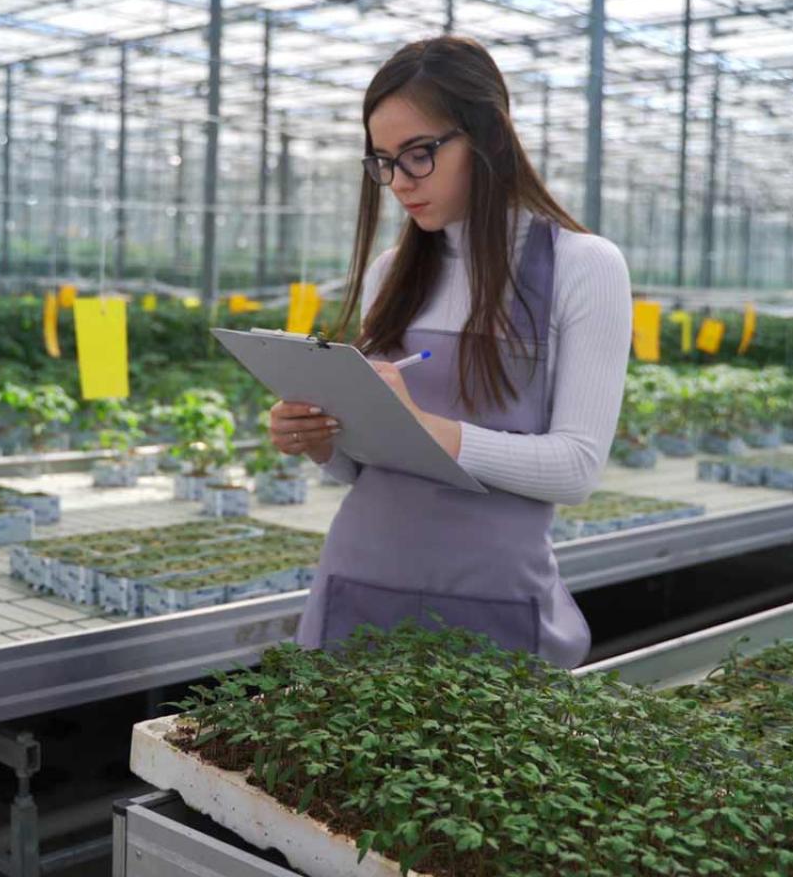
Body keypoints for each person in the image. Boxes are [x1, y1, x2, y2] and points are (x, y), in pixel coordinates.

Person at [267, 36, 632, 668]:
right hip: (359, 580)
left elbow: (576, 468)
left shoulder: (583, 266)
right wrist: (323, 440)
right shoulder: (393, 271)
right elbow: (364, 467)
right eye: (383, 161)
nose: (400, 183)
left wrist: (430, 430)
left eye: (419, 154)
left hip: (490, 597)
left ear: (488, 134)